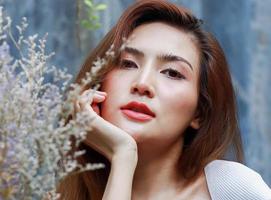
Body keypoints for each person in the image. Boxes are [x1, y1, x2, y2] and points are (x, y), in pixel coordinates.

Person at [58, 0, 271, 199]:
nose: (142, 84)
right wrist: (123, 155)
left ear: (199, 113)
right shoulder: (64, 193)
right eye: (128, 63)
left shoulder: (230, 188)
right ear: (98, 83)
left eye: (172, 73)